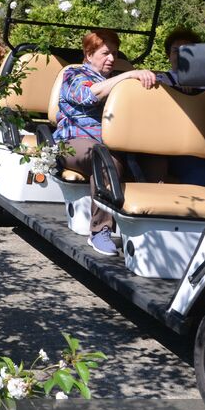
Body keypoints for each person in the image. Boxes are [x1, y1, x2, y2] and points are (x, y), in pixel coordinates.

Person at [55, 28, 161, 256]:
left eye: (115, 53)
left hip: (113, 145)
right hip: (74, 142)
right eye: (106, 53)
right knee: (102, 156)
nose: (112, 58)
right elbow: (89, 95)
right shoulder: (74, 75)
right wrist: (129, 75)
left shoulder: (117, 82)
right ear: (88, 54)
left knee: (156, 158)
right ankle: (100, 231)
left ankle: (152, 225)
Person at [153, 27, 205, 187]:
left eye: (188, 51)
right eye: (176, 51)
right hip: (177, 147)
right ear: (168, 55)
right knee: (200, 173)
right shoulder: (162, 81)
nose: (181, 56)